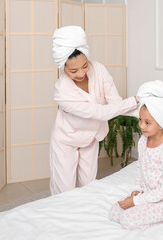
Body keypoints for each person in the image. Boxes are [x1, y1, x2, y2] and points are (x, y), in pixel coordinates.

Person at [49, 26, 139, 195]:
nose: (81, 73)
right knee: (64, 191)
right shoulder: (61, 91)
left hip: (90, 137)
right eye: (73, 71)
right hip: (66, 140)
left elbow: (115, 103)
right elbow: (101, 112)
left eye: (84, 66)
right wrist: (134, 100)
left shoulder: (99, 69)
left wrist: (143, 110)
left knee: (89, 186)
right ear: (62, 67)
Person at [109, 80, 163, 230]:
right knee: (114, 212)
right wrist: (137, 189)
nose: (141, 125)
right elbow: (141, 167)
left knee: (127, 220)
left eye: (147, 123)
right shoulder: (143, 141)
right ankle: (145, 209)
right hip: (147, 195)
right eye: (140, 120)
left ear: (161, 123)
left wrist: (136, 201)